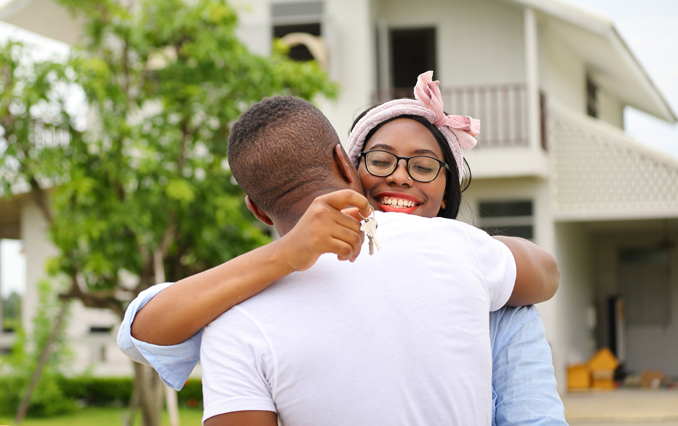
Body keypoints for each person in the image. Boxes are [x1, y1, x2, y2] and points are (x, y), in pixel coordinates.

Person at [118, 77, 564, 424]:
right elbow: (143, 329)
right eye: (381, 161)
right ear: (346, 163)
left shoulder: (234, 320)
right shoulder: (466, 252)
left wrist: (473, 249)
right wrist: (286, 256)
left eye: (425, 166)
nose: (401, 179)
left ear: (256, 209)